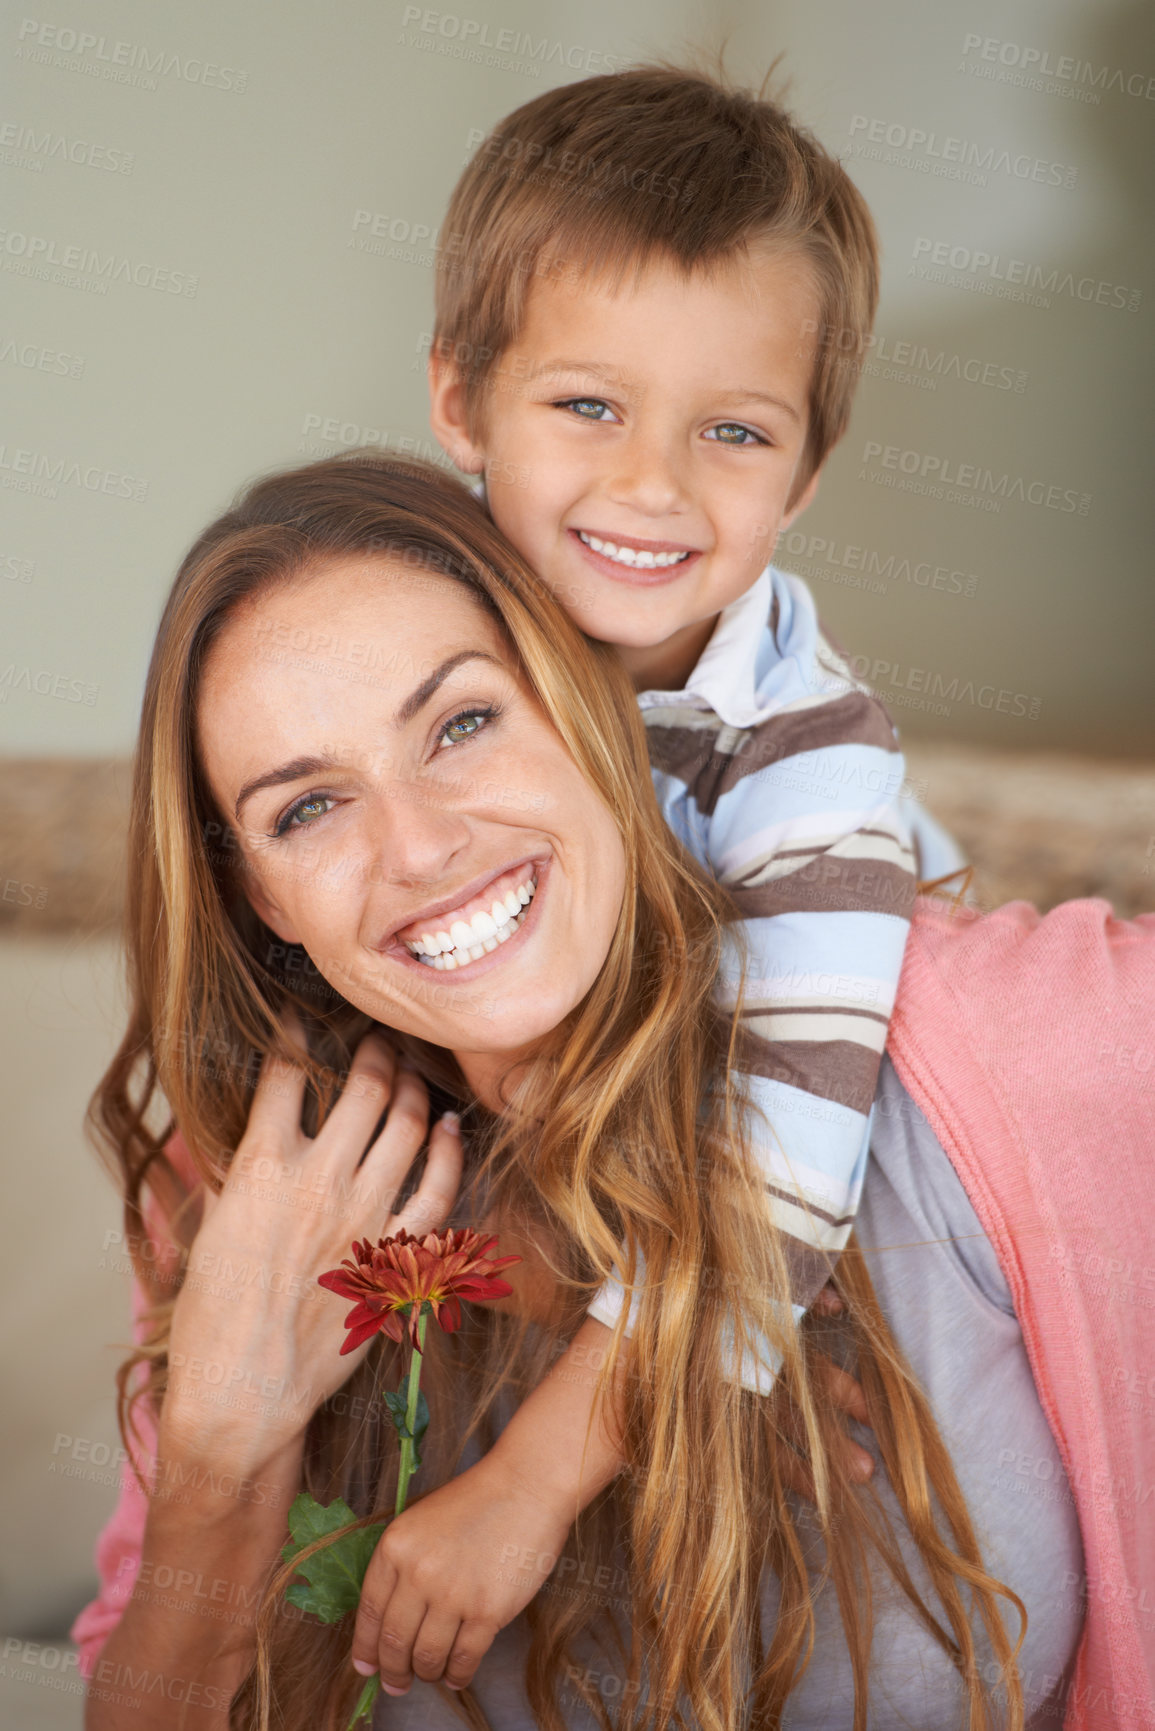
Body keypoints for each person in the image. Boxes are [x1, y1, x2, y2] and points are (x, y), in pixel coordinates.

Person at [72, 455, 1154, 1731]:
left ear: (595, 709)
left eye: (464, 723)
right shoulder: (262, 1194)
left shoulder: (981, 1042)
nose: (418, 848)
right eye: (310, 807)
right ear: (262, 896)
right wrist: (219, 1455)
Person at [426, 63, 969, 1395]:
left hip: (829, 1148)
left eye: (731, 430)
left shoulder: (808, 754)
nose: (649, 482)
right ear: (459, 404)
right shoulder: (416, 645)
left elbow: (788, 1161)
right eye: (587, 405)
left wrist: (554, 1465)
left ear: (800, 478)